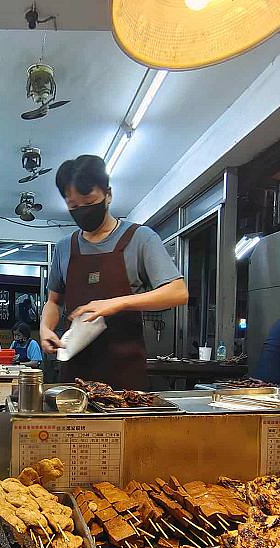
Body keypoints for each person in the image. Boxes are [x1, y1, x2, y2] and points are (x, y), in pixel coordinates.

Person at [40, 155, 189, 389]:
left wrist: (116, 303)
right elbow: (53, 301)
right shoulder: (64, 247)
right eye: (74, 206)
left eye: (89, 202)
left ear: (108, 195)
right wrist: (45, 328)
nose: (82, 211)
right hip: (74, 373)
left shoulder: (140, 238)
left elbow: (177, 292)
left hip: (125, 374)